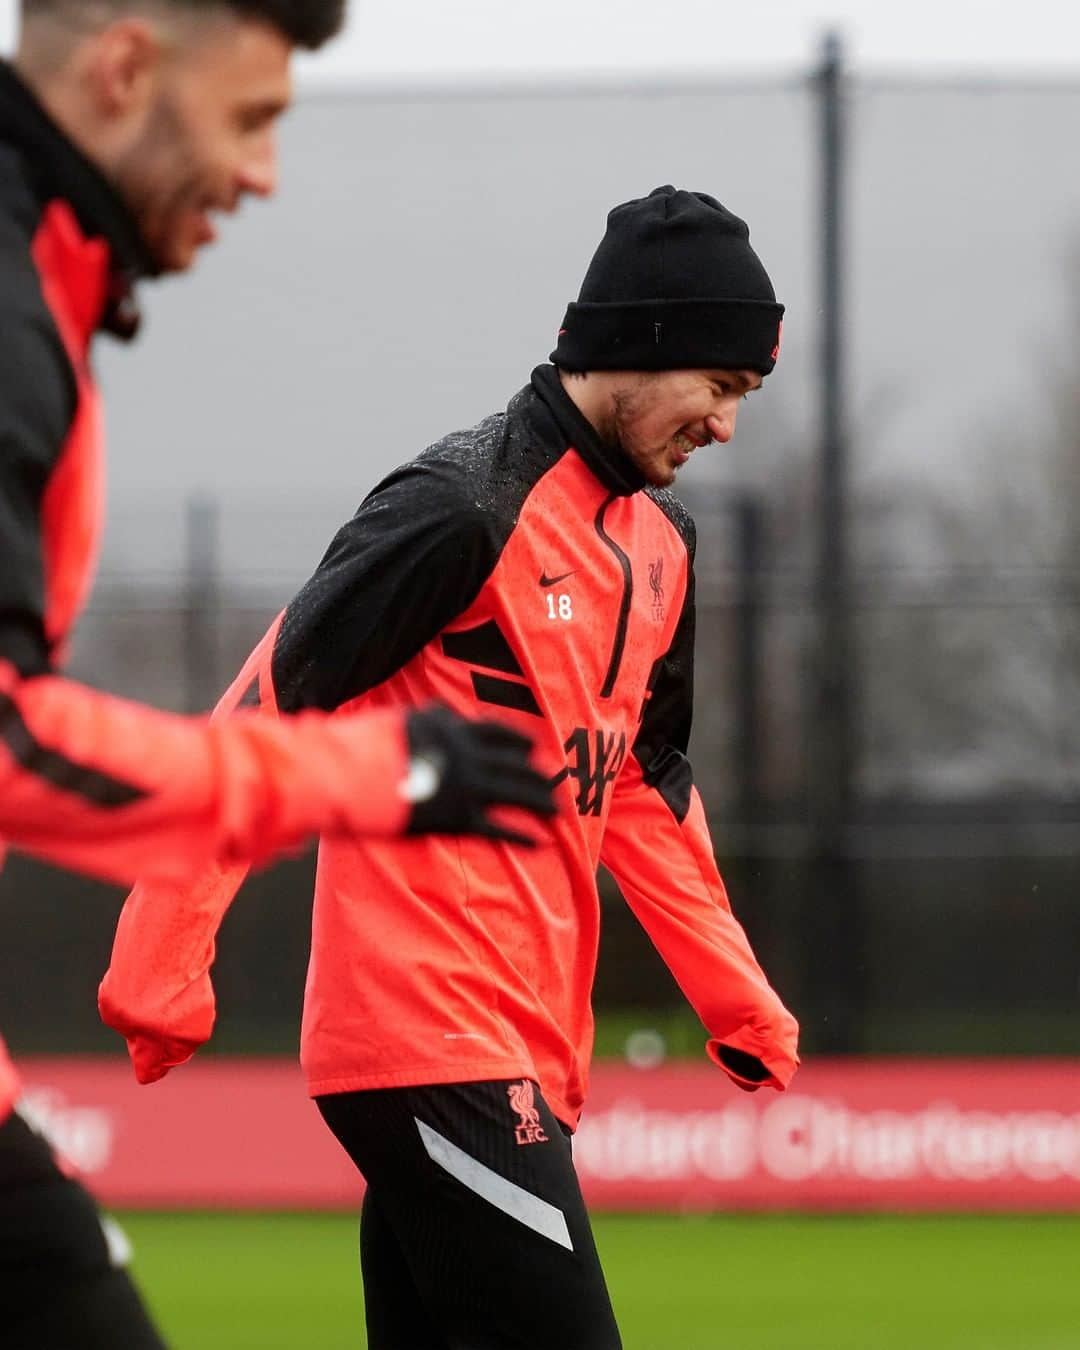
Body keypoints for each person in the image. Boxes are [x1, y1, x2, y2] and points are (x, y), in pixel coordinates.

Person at [101, 185, 801, 1349]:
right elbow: (269, 708)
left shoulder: (665, 550)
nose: (726, 427)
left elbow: (639, 778)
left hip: (530, 1050)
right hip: (426, 1034)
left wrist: (736, 994)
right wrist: (164, 949)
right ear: (646, 343)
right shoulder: (464, 504)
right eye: (721, 388)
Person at [0, 2, 552, 1345]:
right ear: (126, 66)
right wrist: (364, 768)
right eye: (251, 119)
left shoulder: (45, 283)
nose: (264, 176)